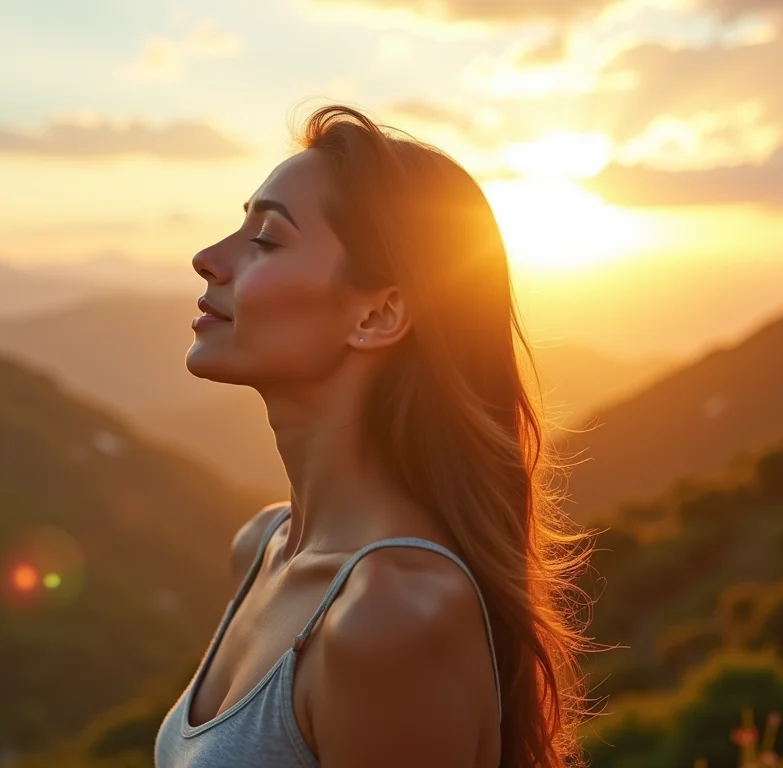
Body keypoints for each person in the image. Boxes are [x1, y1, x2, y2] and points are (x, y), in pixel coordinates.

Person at [154, 104, 593, 768]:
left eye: (266, 239)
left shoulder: (394, 620)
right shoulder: (263, 549)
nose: (208, 259)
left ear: (379, 313)